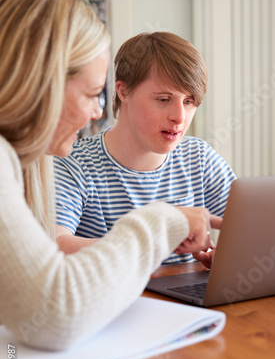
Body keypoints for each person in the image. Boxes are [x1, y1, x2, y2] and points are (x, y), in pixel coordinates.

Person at [0, 0, 220, 353]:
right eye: (90, 93)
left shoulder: (199, 156)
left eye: (189, 101)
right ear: (41, 84)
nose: (96, 112)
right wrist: (160, 226)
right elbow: (54, 313)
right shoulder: (63, 164)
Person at [54, 32, 236, 266]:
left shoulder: (199, 158)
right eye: (163, 99)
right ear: (124, 92)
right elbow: (54, 245)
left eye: (188, 102)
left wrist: (233, 255)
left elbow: (253, 226)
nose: (179, 117)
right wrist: (155, 236)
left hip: (184, 301)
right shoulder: (74, 163)